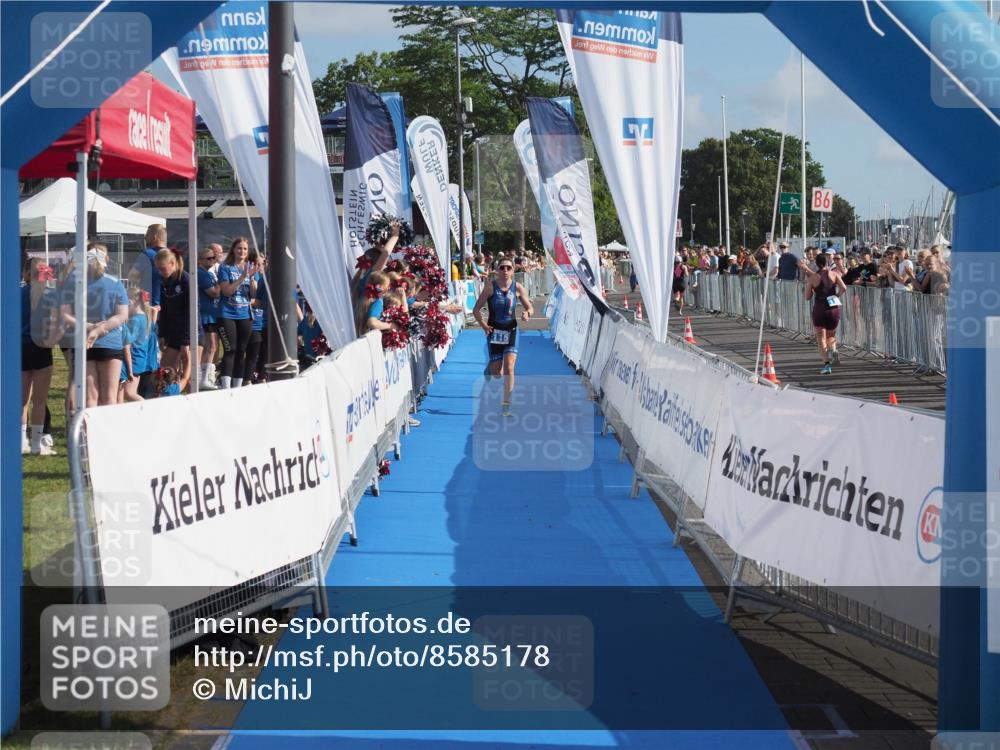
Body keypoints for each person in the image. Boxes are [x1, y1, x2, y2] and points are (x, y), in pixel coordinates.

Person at [62, 245, 129, 407]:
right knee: (110, 398)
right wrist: (100, 329)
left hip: (84, 342)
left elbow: (64, 315)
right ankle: (106, 432)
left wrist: (89, 327)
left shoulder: (74, 282)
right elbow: (122, 315)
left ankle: (89, 432)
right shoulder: (115, 283)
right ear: (106, 260)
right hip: (111, 342)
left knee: (90, 397)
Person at [472, 257, 534, 416]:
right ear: (497, 270)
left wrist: (527, 313)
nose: (505, 271)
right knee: (497, 373)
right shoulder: (490, 288)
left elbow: (530, 307)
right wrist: (484, 326)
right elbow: (476, 310)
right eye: (502, 268)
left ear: (513, 270)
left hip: (511, 329)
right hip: (494, 331)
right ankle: (489, 370)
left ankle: (506, 405)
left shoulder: (518, 287)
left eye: (508, 268)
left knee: (509, 368)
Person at [21, 258, 59, 455]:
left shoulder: (17, 294)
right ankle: (36, 443)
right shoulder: (49, 295)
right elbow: (57, 320)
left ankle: (21, 441)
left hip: (21, 347)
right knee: (40, 400)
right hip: (41, 347)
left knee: (22, 400)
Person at [217, 237, 259, 389]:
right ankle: (226, 387)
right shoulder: (225, 267)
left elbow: (254, 295)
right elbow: (226, 291)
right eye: (239, 248)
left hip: (245, 314)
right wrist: (243, 277)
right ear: (234, 250)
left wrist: (252, 278)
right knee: (230, 349)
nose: (242, 251)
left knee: (242, 350)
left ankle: (238, 386)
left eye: (245, 249)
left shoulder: (250, 267)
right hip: (227, 314)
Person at [155, 248, 193, 392]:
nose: (160, 272)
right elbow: (164, 310)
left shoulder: (186, 280)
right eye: (158, 269)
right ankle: (167, 399)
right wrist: (162, 334)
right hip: (173, 333)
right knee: (164, 373)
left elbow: (191, 312)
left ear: (172, 263)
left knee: (189, 377)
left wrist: (186, 341)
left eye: (162, 268)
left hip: (190, 333)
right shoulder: (165, 282)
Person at [802, 253, 847, 374]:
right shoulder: (834, 274)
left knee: (821, 337)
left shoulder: (813, 277)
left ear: (816, 264)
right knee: (831, 334)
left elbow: (807, 296)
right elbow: (844, 288)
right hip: (833, 307)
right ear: (827, 263)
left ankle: (827, 365)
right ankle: (833, 350)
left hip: (820, 307)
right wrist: (836, 295)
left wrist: (812, 290)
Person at [119, 287, 151, 403]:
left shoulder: (135, 320)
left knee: (129, 393)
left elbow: (128, 342)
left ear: (131, 302)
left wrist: (122, 328)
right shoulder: (143, 316)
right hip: (140, 358)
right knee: (126, 393)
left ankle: (148, 409)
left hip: (134, 360)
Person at [196, 246, 221, 389]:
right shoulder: (202, 274)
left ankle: (207, 377)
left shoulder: (209, 274)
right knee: (210, 346)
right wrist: (220, 284)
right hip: (205, 315)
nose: (212, 260)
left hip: (211, 314)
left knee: (211, 346)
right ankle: (203, 378)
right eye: (209, 258)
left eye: (213, 257)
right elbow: (214, 293)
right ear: (200, 260)